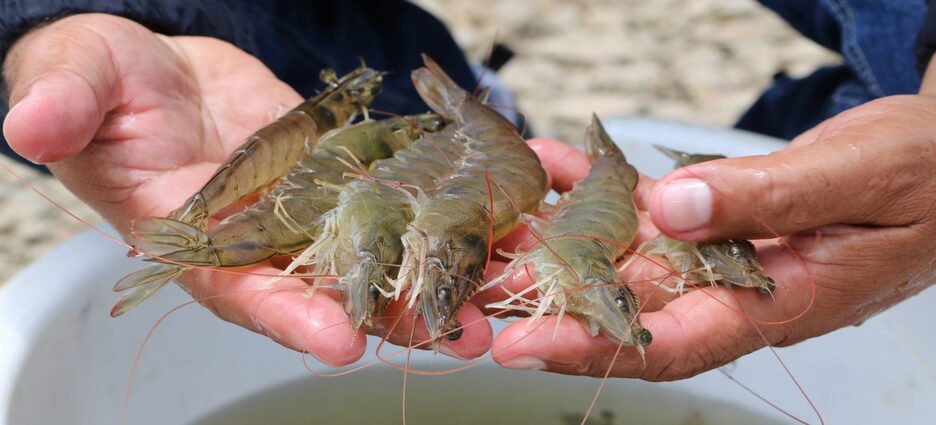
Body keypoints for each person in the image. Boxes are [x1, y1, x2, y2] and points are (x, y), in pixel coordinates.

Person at [1, 1, 934, 379]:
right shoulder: (413, 203)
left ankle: (470, 114)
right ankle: (464, 111)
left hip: (464, 175)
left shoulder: (517, 222)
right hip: (393, 144)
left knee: (847, 160)